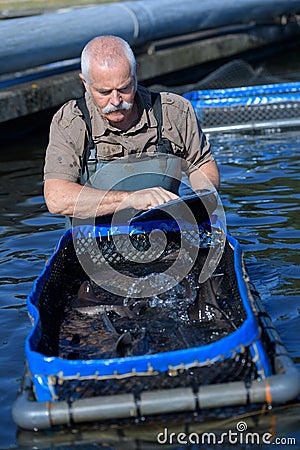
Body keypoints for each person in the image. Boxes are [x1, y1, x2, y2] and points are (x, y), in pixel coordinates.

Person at [43, 35, 219, 222]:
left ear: (135, 74)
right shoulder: (71, 121)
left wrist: (200, 203)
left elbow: (201, 165)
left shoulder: (174, 111)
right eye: (104, 92)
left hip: (166, 230)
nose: (116, 101)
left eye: (125, 88)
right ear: (85, 83)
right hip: (92, 239)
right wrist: (130, 199)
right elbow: (57, 199)